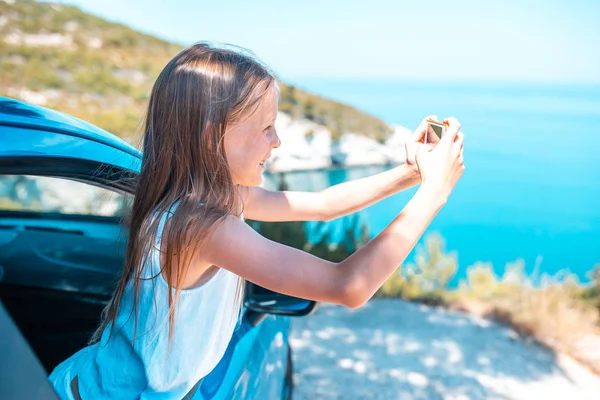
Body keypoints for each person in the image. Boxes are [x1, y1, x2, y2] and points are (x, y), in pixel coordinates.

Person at [49, 42, 465, 399]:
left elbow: (322, 204)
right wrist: (434, 194)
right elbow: (348, 286)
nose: (277, 140)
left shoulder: (200, 199)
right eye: (266, 127)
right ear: (214, 136)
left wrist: (412, 173)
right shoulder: (202, 227)